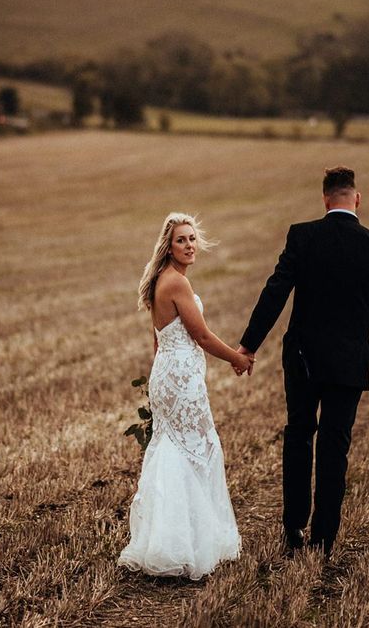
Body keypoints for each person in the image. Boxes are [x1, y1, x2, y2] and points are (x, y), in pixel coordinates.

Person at [237, 167, 369, 559]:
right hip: (350, 363)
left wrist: (248, 345)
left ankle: (294, 528)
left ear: (325, 199)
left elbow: (275, 292)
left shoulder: (303, 235)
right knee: (335, 446)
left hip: (302, 359)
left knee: (298, 435)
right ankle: (324, 538)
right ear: (356, 199)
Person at [118, 212, 251, 580]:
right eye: (182, 240)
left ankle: (172, 540)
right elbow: (203, 336)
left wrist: (159, 376)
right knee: (196, 448)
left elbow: (157, 339)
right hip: (180, 379)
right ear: (169, 245)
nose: (189, 245)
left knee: (175, 447)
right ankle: (183, 544)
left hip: (170, 374)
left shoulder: (163, 279)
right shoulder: (175, 283)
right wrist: (238, 359)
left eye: (192, 239)